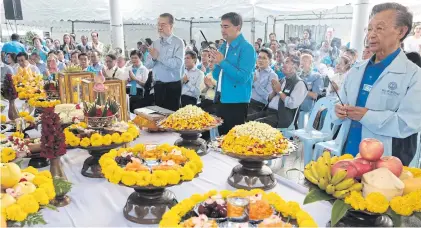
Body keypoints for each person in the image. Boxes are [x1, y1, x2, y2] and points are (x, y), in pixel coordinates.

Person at [333, 3, 421, 166]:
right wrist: (339, 110)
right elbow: (341, 101)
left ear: (401, 31)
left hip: (384, 163)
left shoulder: (413, 75)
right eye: (370, 29)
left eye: (379, 29)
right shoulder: (357, 70)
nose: (371, 35)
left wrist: (366, 116)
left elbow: (408, 123)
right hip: (348, 154)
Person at [209, 12, 256, 135]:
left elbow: (243, 77)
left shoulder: (247, 48)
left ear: (238, 27)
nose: (222, 30)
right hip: (221, 97)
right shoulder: (224, 46)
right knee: (222, 137)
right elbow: (216, 76)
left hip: (236, 101)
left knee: (233, 139)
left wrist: (223, 62)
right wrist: (215, 65)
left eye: (226, 26)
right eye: (221, 26)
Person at [145, 13, 185, 111]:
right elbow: (147, 65)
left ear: (171, 26)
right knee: (159, 116)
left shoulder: (178, 42)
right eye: (158, 24)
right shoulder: (155, 43)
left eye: (163, 24)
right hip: (158, 85)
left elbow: (177, 64)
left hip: (173, 86)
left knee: (172, 118)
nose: (160, 27)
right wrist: (154, 58)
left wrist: (158, 57)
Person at [258, 56, 308, 128]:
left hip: (281, 117)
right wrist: (274, 91)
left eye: (287, 62)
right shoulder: (282, 80)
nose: (283, 65)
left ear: (296, 66)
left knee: (254, 125)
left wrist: (279, 91)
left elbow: (291, 104)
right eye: (283, 62)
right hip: (268, 112)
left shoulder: (299, 83)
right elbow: (270, 99)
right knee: (246, 119)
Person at [247, 48, 278, 121]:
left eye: (264, 58)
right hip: (247, 101)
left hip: (258, 105)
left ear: (270, 61)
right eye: (259, 57)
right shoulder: (255, 72)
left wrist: (255, 82)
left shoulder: (272, 75)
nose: (260, 60)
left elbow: (267, 96)